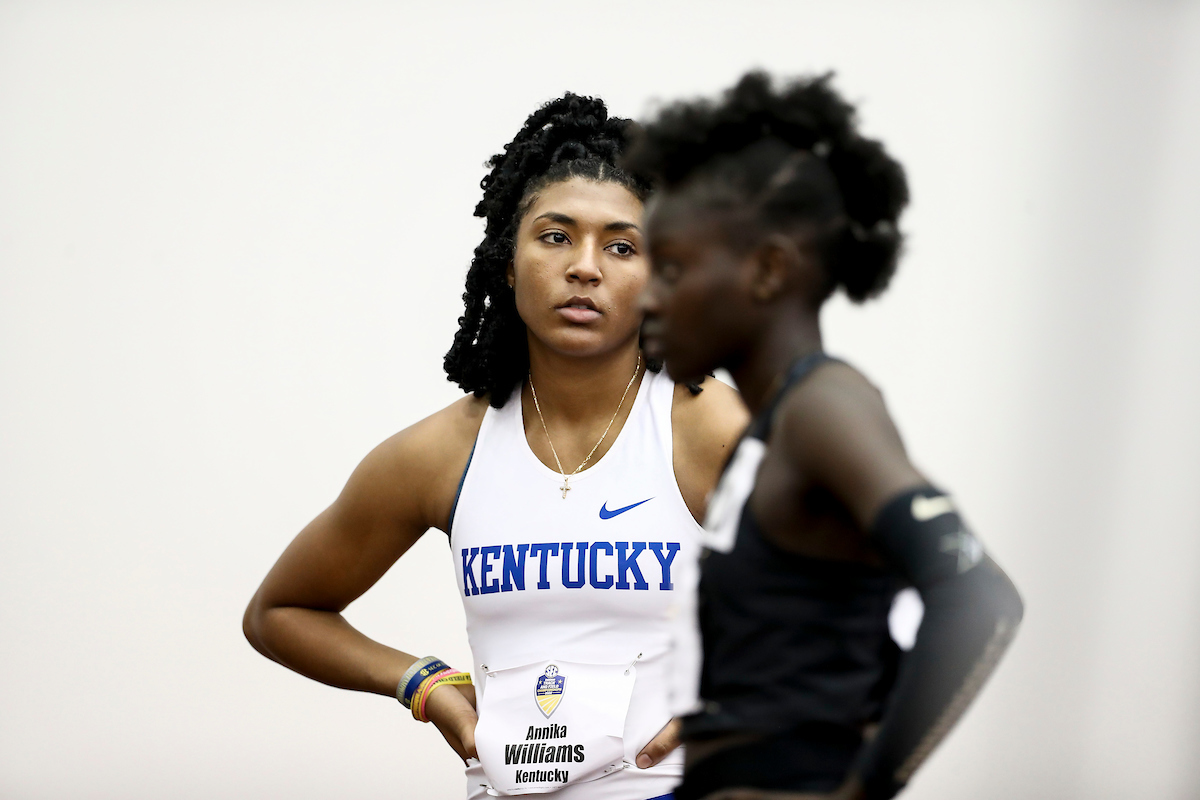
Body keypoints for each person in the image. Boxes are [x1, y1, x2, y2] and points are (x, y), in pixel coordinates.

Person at [243, 93, 748, 800]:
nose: (585, 267)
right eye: (555, 236)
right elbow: (280, 613)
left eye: (622, 245)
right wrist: (423, 684)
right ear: (507, 264)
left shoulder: (712, 429)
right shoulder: (444, 452)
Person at [625, 72, 1025, 800]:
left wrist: (861, 791)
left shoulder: (825, 404)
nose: (647, 296)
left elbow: (977, 596)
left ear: (770, 269)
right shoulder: (766, 432)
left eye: (674, 268)